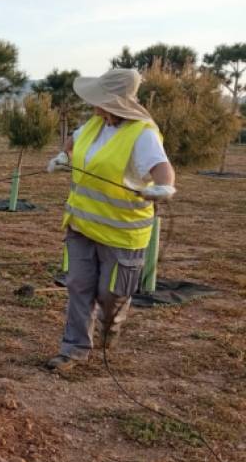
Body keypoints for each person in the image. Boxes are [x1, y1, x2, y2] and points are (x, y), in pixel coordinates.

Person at [44, 68, 177, 372]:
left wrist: (163, 187)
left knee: (110, 294)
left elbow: (161, 168)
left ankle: (112, 322)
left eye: (99, 101)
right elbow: (73, 141)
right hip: (81, 226)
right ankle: (73, 350)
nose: (94, 107)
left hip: (121, 234)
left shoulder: (142, 134)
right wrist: (64, 156)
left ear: (114, 102)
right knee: (78, 286)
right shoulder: (94, 124)